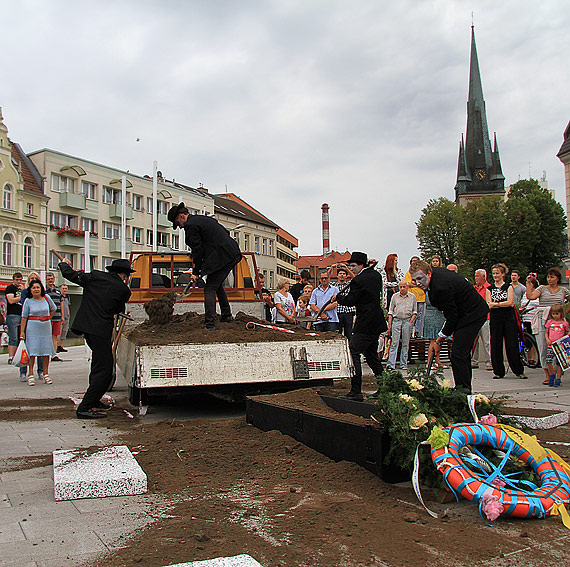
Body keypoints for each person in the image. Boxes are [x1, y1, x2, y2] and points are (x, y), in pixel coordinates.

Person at [59, 257, 133, 419]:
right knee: (105, 369)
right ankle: (84, 407)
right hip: (101, 330)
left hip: (87, 328)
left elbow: (70, 275)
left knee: (98, 363)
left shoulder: (94, 277)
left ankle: (94, 400)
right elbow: (117, 308)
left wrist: (64, 263)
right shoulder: (123, 290)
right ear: (124, 275)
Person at [410, 260, 489, 392]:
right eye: (414, 280)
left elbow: (452, 317)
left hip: (472, 314)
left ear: (429, 273)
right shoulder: (434, 280)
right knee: (460, 353)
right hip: (463, 313)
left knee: (458, 354)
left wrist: (439, 340)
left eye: (420, 278)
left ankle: (462, 391)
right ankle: (463, 388)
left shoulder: (440, 287)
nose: (418, 283)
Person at [168, 203, 242, 331]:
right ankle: (226, 315)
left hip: (224, 255)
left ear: (181, 216)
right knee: (216, 285)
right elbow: (223, 232)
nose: (179, 227)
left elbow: (198, 250)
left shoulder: (191, 226)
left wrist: (196, 272)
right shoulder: (203, 219)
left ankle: (210, 324)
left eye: (177, 223)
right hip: (231, 252)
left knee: (209, 288)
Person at [335, 252, 387, 401]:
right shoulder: (375, 276)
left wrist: (338, 298)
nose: (352, 268)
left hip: (365, 323)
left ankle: (356, 391)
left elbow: (350, 300)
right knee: (371, 356)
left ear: (361, 265)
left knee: (353, 352)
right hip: (376, 322)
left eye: (353, 266)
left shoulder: (359, 280)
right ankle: (385, 387)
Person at [526, 267, 570, 385]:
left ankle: (557, 373)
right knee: (543, 347)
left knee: (558, 348)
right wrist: (529, 284)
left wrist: (564, 313)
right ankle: (548, 374)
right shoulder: (542, 288)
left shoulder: (563, 290)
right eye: (548, 277)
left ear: (557, 278)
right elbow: (531, 296)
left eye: (552, 277)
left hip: (558, 322)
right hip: (543, 319)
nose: (549, 279)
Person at [485, 263, 527, 380]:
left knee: (512, 343)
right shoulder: (490, 289)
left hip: (508, 317)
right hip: (495, 318)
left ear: (503, 274)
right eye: (493, 273)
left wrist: (496, 304)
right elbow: (489, 304)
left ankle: (518, 370)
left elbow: (510, 302)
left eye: (497, 273)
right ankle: (498, 371)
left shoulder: (508, 287)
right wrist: (497, 305)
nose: (495, 276)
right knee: (496, 343)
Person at [20, 279, 56, 386]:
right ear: (30, 290)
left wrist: (48, 318)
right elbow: (24, 316)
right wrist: (22, 331)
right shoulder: (28, 301)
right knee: (32, 350)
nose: (36, 289)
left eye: (38, 287)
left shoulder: (46, 298)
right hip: (32, 326)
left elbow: (53, 308)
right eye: (34, 288)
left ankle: (45, 374)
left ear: (41, 289)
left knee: (46, 350)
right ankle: (30, 374)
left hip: (45, 327)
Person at [423, 257, 448, 370]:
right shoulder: (429, 289)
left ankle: (437, 360)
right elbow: (431, 302)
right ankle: (429, 362)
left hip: (439, 315)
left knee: (439, 339)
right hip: (431, 314)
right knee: (433, 340)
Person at [387, 281, 417, 373]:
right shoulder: (395, 297)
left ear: (407, 287)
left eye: (404, 287)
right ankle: (391, 364)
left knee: (405, 343)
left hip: (407, 320)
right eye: (401, 287)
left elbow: (415, 311)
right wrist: (390, 324)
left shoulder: (412, 297)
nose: (402, 289)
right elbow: (391, 311)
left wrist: (411, 321)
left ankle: (403, 364)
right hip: (397, 320)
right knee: (394, 342)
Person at [471, 269, 492, 371]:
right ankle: (474, 361)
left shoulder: (489, 288)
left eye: (477, 276)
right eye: (475, 276)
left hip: (486, 317)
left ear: (484, 277)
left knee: (487, 341)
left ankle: (489, 361)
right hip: (475, 317)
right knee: (474, 341)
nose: (476, 278)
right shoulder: (474, 288)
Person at [544, 304, 569, 387]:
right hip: (551, 345)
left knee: (559, 363)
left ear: (561, 313)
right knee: (548, 360)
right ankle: (552, 375)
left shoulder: (564, 323)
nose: (555, 316)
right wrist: (547, 339)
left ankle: (558, 378)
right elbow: (546, 332)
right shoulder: (550, 322)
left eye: (557, 314)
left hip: (559, 346)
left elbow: (566, 333)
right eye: (553, 314)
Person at [4, 272, 24, 366]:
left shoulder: (22, 289)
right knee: (13, 337)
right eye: (17, 280)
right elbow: (11, 300)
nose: (19, 282)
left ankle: (18, 355)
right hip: (12, 315)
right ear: (13, 280)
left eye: (20, 280)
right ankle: (11, 357)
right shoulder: (10, 288)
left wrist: (24, 291)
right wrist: (21, 296)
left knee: (21, 337)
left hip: (22, 315)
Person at [405, 256, 426, 338]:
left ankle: (418, 333)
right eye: (413, 261)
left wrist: (415, 284)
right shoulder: (408, 273)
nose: (414, 263)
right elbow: (408, 283)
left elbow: (424, 283)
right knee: (411, 316)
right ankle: (409, 334)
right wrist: (417, 284)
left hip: (421, 297)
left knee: (420, 317)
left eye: (416, 261)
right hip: (412, 298)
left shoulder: (422, 273)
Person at [45, 272, 63, 362]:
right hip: (48, 317)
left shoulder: (58, 290)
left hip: (57, 316)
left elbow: (61, 302)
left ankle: (54, 354)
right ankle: (46, 353)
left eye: (51, 278)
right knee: (47, 335)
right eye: (48, 279)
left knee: (55, 335)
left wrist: (62, 316)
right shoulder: (44, 290)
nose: (50, 280)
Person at [335, 266, 355, 339]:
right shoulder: (334, 286)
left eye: (344, 273)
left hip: (348, 311)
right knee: (337, 332)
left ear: (346, 276)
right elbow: (326, 278)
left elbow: (355, 278)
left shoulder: (349, 285)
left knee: (349, 333)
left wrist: (347, 269)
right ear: (337, 276)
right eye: (340, 273)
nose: (342, 275)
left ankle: (349, 348)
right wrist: (331, 268)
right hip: (338, 311)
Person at [57, 284, 70, 352]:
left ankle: (60, 345)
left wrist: (68, 314)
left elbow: (67, 306)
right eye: (63, 288)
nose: (64, 290)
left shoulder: (67, 297)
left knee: (64, 331)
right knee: (59, 331)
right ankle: (56, 345)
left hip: (66, 316)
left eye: (65, 288)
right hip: (60, 316)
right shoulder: (59, 297)